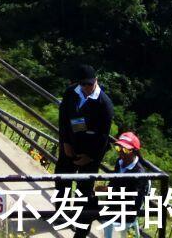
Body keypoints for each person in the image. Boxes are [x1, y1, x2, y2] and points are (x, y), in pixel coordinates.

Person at [55, 64, 115, 228]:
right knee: (61, 180)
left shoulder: (104, 104)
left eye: (90, 84)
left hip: (90, 151)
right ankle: (61, 215)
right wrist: (65, 143)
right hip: (69, 146)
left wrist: (90, 157)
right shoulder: (71, 93)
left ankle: (80, 220)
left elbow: (103, 137)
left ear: (96, 80)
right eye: (83, 84)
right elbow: (63, 120)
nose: (87, 87)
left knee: (84, 188)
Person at [97, 132, 148, 238]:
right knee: (89, 204)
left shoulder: (139, 173)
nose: (121, 152)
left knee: (99, 215)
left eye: (125, 150)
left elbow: (132, 199)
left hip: (128, 210)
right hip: (114, 203)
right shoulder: (119, 162)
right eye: (118, 148)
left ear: (134, 151)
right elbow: (113, 182)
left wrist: (108, 191)